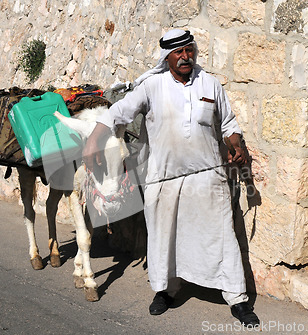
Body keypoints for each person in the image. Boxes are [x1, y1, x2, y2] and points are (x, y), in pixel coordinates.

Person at [82, 29, 260, 326]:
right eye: (178, 52)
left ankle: (237, 298)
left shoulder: (210, 84)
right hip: (164, 180)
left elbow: (228, 124)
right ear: (167, 57)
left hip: (207, 178)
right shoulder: (152, 85)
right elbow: (119, 112)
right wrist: (93, 140)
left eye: (189, 50)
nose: (185, 56)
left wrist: (236, 146)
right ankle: (166, 291)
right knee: (165, 238)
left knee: (221, 238)